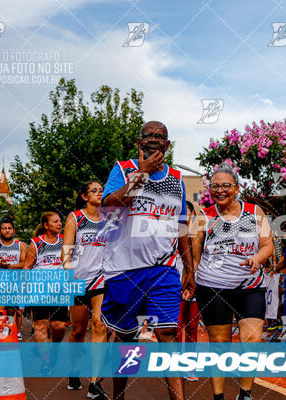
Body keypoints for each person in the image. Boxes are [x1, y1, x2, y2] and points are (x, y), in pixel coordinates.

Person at [101, 121, 194, 400]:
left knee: (167, 335)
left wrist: (190, 269)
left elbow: (182, 227)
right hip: (123, 270)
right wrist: (142, 174)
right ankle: (119, 395)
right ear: (139, 142)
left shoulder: (177, 178)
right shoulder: (123, 168)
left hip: (163, 268)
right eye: (149, 135)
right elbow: (110, 206)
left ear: (167, 144)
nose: (154, 139)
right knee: (127, 337)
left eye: (160, 136)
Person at [192, 165, 274, 400]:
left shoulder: (254, 211)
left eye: (226, 185)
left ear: (236, 188)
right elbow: (195, 256)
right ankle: (219, 396)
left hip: (250, 288)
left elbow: (267, 244)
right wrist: (190, 282)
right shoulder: (203, 216)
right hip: (212, 287)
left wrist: (256, 259)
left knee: (253, 340)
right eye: (215, 186)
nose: (220, 190)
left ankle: (245, 393)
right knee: (219, 344)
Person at [62, 181, 108, 399]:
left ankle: (94, 383)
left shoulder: (110, 218)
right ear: (84, 196)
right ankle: (73, 369)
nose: (99, 193)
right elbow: (67, 250)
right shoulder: (75, 217)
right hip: (79, 280)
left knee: (100, 325)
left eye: (101, 190)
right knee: (78, 331)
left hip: (102, 279)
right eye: (94, 191)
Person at [23, 211, 68, 375]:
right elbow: (27, 266)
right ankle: (46, 362)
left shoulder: (65, 241)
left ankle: (54, 351)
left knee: (59, 326)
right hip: (39, 289)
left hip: (59, 290)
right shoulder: (36, 243)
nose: (59, 223)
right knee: (40, 325)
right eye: (55, 221)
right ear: (46, 225)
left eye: (60, 221)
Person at [176, 201, 200, 382]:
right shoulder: (171, 233)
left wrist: (190, 284)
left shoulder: (198, 234)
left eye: (188, 212)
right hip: (174, 286)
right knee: (175, 329)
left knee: (192, 328)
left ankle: (190, 366)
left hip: (193, 286)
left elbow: (196, 261)